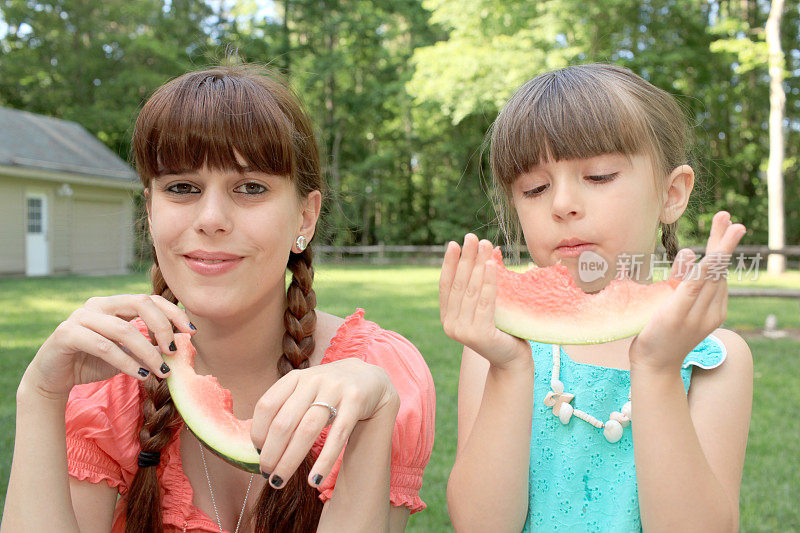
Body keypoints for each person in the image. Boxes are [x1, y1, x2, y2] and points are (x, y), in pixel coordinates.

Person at [3, 64, 435, 533]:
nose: (211, 219)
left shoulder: (378, 376)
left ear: (305, 218)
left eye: (250, 188)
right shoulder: (109, 380)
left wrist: (374, 419)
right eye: (182, 188)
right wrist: (41, 395)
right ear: (150, 212)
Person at [440, 64, 752, 532]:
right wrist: (507, 371)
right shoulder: (493, 350)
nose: (561, 203)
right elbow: (481, 526)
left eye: (600, 176)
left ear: (672, 193)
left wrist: (660, 369)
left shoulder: (715, 359)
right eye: (535, 188)